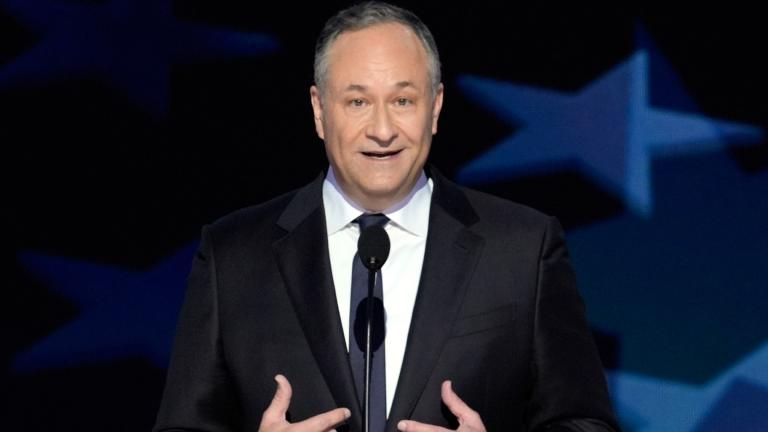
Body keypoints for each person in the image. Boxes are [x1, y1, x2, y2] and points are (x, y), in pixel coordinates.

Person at [153, 2, 620, 431]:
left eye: (403, 101)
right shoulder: (234, 255)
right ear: (319, 111)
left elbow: (586, 423)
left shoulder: (523, 248)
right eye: (357, 102)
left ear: (434, 108)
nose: (381, 130)